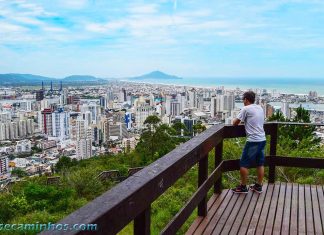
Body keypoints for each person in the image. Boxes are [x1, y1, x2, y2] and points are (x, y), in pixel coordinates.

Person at [231, 91, 266, 194]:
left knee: (244, 164)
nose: (243, 101)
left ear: (246, 99)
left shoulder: (245, 109)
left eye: (243, 99)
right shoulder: (259, 108)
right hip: (262, 139)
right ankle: (258, 186)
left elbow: (234, 123)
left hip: (253, 141)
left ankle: (243, 187)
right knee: (259, 163)